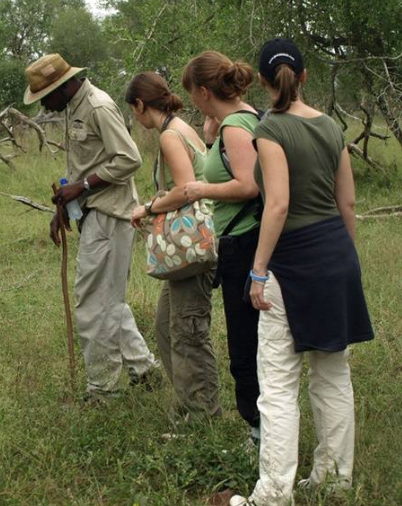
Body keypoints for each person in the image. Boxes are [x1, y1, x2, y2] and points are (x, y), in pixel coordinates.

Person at [230, 38, 375, 506]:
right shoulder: (333, 127)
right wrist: (344, 261)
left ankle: (272, 494)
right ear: (304, 76)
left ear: (265, 83)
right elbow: (347, 201)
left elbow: (277, 204)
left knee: (277, 382)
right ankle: (334, 480)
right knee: (332, 373)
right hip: (335, 254)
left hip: (290, 262)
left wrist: (256, 271)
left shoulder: (270, 129)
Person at [23, 54, 160, 400]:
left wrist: (83, 188)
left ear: (63, 86)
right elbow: (87, 165)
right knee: (110, 302)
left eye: (46, 97)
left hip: (110, 214)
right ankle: (144, 370)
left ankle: (103, 388)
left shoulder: (97, 106)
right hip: (93, 213)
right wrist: (66, 208)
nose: (45, 105)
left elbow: (130, 159)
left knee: (91, 304)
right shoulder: (73, 107)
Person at [125, 71, 220, 418]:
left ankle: (203, 416)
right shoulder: (182, 127)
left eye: (133, 110)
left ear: (140, 104)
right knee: (167, 327)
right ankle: (188, 404)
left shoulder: (169, 135)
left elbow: (185, 188)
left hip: (191, 247)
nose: (134, 118)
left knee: (188, 333)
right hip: (190, 245)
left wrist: (148, 208)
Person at [181, 51, 262, 439]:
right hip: (244, 239)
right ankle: (262, 428)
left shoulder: (236, 126)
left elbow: (248, 184)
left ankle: (258, 433)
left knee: (245, 346)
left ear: (202, 90)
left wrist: (202, 188)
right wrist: (211, 139)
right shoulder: (242, 119)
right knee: (252, 342)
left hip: (245, 243)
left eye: (192, 94)